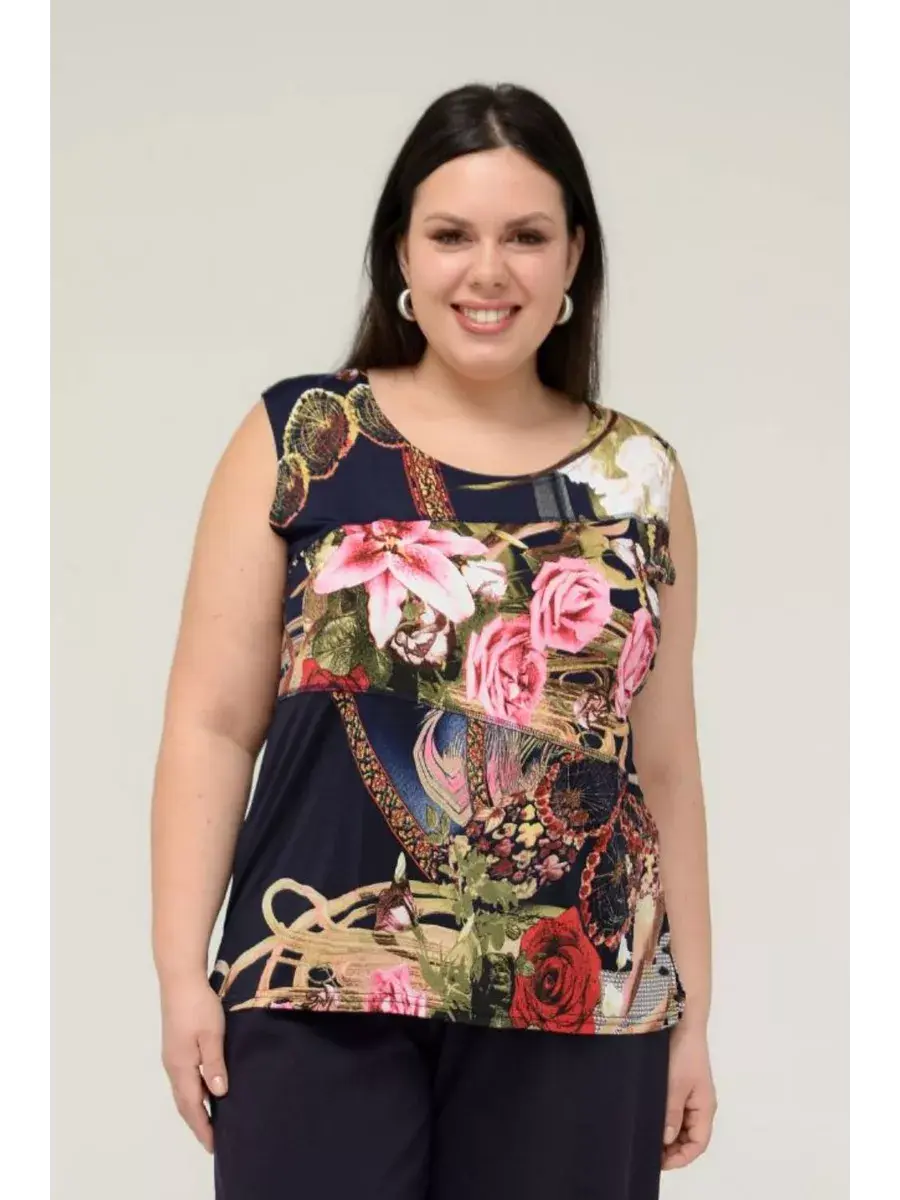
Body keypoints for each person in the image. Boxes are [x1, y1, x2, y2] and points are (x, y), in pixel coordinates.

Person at [151, 81, 717, 1199]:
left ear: (574, 258)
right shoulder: (306, 437)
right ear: (400, 256)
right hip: (316, 987)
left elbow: (664, 766)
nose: (487, 271)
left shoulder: (639, 477)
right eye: (452, 235)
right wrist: (181, 975)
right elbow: (211, 726)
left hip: (583, 998)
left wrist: (692, 1013)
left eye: (526, 236)